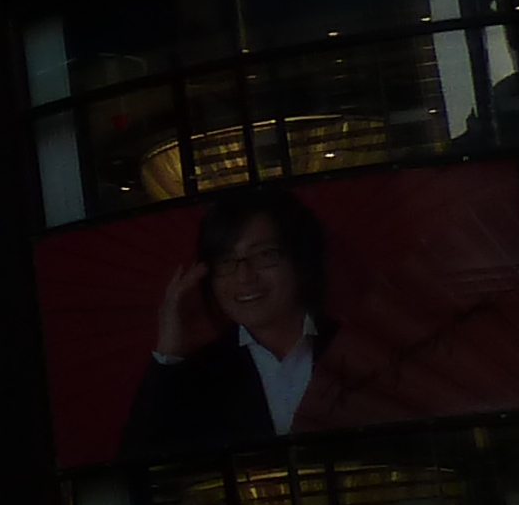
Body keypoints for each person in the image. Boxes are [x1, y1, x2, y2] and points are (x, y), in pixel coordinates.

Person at [122, 185, 384, 457]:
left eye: (264, 255)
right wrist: (168, 352)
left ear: (302, 261)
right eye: (226, 262)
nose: (244, 277)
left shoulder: (362, 352)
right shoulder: (196, 377)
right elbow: (136, 469)